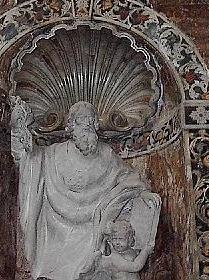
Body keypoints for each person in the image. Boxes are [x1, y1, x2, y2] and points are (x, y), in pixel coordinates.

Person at [10, 98, 160, 280]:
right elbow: (30, 159)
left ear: (96, 125)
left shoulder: (106, 154)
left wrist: (143, 193)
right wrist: (20, 133)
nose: (87, 125)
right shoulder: (53, 154)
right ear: (71, 126)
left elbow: (127, 178)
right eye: (81, 121)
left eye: (91, 120)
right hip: (56, 230)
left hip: (93, 229)